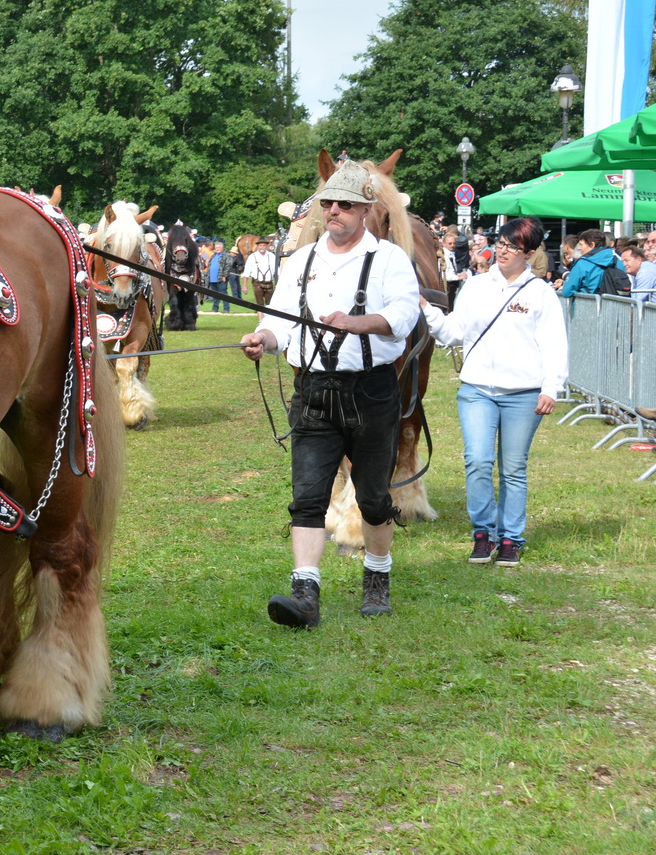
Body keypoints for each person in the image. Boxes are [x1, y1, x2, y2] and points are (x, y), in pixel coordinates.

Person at [239, 160, 420, 626]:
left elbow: (403, 316)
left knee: (375, 497)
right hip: (314, 392)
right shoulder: (300, 262)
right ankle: (305, 593)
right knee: (307, 497)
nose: (333, 210)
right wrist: (264, 340)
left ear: (365, 210)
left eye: (344, 204)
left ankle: (377, 577)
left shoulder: (389, 260)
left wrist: (356, 322)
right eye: (328, 203)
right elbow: (278, 320)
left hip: (372, 392)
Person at [421, 218, 567, 568]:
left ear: (529, 254)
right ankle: (482, 533)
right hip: (477, 391)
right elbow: (454, 332)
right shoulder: (476, 286)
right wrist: (428, 312)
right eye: (500, 243)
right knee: (477, 460)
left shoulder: (541, 293)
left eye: (512, 247)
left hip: (523, 393)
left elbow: (554, 344)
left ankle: (511, 538)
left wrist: (551, 387)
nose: (502, 251)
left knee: (513, 468)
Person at [557, 230, 622, 296]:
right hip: (615, 304)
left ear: (592, 245)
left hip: (587, 304)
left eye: (581, 244)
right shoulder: (616, 260)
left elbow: (567, 291)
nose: (579, 248)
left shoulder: (582, 263)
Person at [244, 236, 278, 306]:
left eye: (264, 245)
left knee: (270, 304)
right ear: (257, 246)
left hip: (269, 283)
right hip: (257, 283)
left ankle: (269, 316)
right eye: (260, 245)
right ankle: (261, 317)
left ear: (266, 246)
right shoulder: (252, 257)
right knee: (259, 304)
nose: (262, 247)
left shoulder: (272, 256)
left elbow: (277, 271)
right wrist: (245, 286)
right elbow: (246, 272)